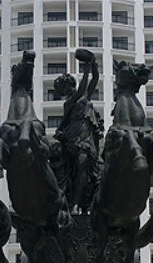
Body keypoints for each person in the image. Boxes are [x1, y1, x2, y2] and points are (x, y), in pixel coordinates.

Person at [53, 49, 104, 213]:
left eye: (67, 86)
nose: (66, 90)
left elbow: (95, 79)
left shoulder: (85, 96)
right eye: (63, 89)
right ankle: (74, 204)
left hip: (88, 133)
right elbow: (82, 90)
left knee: (88, 168)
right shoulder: (68, 103)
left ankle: (82, 202)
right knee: (80, 164)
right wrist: (86, 68)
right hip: (75, 135)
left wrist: (93, 63)